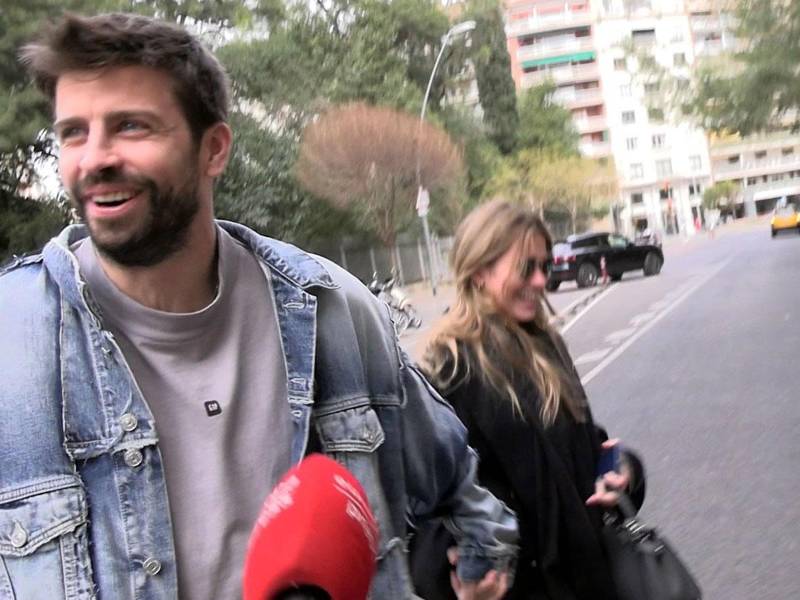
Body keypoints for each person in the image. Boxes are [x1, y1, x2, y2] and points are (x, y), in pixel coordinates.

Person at [0, 13, 518, 599]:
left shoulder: (332, 312)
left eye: (131, 127)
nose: (94, 158)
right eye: (73, 132)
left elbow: (458, 483)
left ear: (213, 149)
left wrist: (481, 568)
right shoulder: (11, 346)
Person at [413, 200, 645, 600]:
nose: (540, 281)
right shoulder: (446, 368)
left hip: (590, 581)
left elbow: (587, 445)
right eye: (526, 267)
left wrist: (623, 471)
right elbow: (423, 514)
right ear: (481, 270)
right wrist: (462, 578)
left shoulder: (546, 344)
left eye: (544, 266)